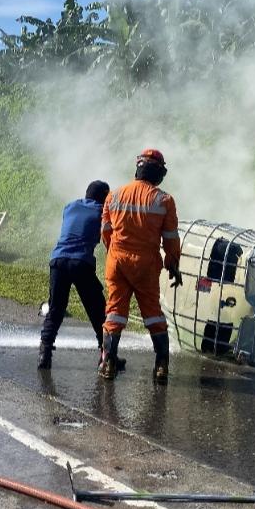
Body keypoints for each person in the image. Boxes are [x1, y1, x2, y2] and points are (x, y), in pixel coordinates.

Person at [99, 149, 182, 384]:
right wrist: (173, 264)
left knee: (114, 312)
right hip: (146, 265)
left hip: (117, 262)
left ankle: (108, 363)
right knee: (153, 313)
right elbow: (171, 238)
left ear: (138, 169)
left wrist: (115, 253)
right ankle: (161, 366)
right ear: (158, 173)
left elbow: (105, 232)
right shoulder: (164, 201)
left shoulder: (114, 195)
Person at [38, 180, 125, 373]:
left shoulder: (70, 206)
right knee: (97, 311)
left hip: (58, 260)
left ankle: (44, 353)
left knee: (56, 309)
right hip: (81, 262)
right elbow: (111, 235)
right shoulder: (102, 211)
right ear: (104, 197)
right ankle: (107, 355)